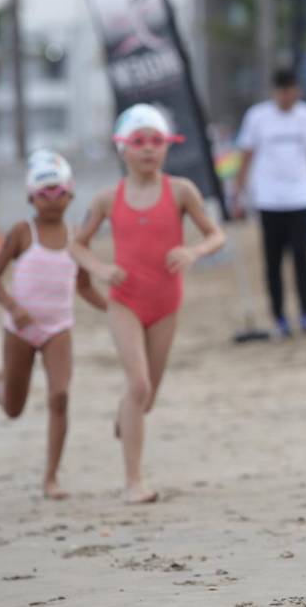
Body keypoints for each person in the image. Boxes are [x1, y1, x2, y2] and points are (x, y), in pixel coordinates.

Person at [71, 104, 226, 504]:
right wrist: (100, 269)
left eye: (156, 141)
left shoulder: (181, 191)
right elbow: (77, 245)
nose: (148, 149)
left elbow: (216, 235)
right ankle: (133, 482)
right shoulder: (107, 199)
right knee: (138, 385)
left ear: (168, 146)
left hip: (166, 304)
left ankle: (127, 415)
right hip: (124, 302)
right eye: (139, 141)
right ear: (122, 148)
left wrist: (193, 252)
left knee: (146, 397)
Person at [0, 150, 107, 500]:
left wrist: (113, 308)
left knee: (61, 396)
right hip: (19, 330)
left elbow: (85, 287)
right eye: (44, 193)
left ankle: (51, 477)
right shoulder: (22, 233)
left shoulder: (77, 237)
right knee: (13, 409)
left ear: (71, 195)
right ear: (31, 198)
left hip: (58, 329)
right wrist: (13, 307)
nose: (52, 200)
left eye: (59, 192)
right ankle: (1, 385)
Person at [233, 69, 306, 337]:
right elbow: (246, 155)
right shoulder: (257, 117)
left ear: (298, 90)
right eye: (282, 91)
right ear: (275, 91)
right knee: (272, 261)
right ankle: (279, 317)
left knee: (301, 257)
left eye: (291, 90)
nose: (287, 96)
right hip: (269, 199)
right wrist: (237, 193)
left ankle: (305, 313)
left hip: (301, 198)